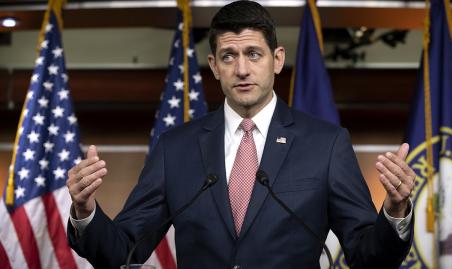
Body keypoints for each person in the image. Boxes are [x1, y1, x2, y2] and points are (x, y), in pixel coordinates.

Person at [67, 1, 415, 268]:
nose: (242, 69)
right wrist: (85, 211)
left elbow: (369, 258)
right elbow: (123, 250)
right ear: (215, 65)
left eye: (253, 54)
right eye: (229, 56)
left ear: (277, 60)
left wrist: (396, 210)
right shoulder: (176, 148)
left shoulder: (325, 144)